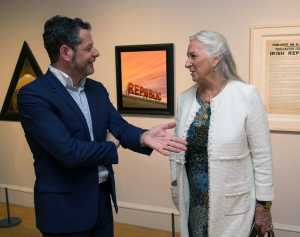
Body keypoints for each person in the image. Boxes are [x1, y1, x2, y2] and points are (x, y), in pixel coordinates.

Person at [17, 15, 187, 237]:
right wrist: (110, 145)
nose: (96, 53)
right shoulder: (33, 96)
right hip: (64, 212)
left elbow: (118, 126)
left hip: (100, 204)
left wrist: (144, 136)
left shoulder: (96, 89)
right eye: (89, 48)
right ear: (66, 52)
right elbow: (68, 152)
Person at [169, 31, 273, 237]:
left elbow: (262, 156)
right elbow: (178, 152)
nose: (186, 63)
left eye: (193, 56)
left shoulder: (246, 96)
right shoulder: (185, 99)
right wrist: (174, 185)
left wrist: (263, 205)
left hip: (233, 206)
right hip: (194, 204)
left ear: (216, 58)